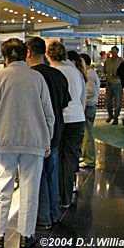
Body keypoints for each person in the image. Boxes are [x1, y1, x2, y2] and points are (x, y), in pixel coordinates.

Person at [0, 38, 54, 248]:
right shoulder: (37, 77)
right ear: (25, 54)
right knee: (30, 190)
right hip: (34, 140)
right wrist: (47, 140)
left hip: (6, 141)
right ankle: (26, 235)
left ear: (5, 57)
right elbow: (49, 114)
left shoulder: (0, 76)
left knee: (3, 187)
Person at [25, 37, 70, 230]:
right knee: (52, 173)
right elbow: (65, 102)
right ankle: (55, 213)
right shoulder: (58, 75)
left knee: (39, 175)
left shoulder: (30, 76)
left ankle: (43, 218)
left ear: (28, 52)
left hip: (37, 132)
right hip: (57, 131)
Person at [46, 41, 86, 209]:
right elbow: (82, 96)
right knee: (70, 159)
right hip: (77, 118)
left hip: (61, 119)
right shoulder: (75, 71)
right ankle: (66, 198)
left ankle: (56, 197)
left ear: (48, 54)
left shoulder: (52, 73)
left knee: (56, 158)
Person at [79, 54, 100, 168]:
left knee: (88, 133)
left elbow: (90, 92)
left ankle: (89, 159)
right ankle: (86, 156)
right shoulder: (90, 72)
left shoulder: (89, 74)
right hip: (89, 106)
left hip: (88, 107)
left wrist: (82, 102)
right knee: (86, 132)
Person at [104, 46, 123, 125]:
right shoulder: (107, 61)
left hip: (118, 83)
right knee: (108, 101)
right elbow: (104, 71)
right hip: (109, 83)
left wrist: (117, 76)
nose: (113, 53)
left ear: (117, 52)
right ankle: (110, 115)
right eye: (112, 52)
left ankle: (116, 117)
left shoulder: (121, 61)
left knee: (118, 102)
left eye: (114, 52)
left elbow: (123, 73)